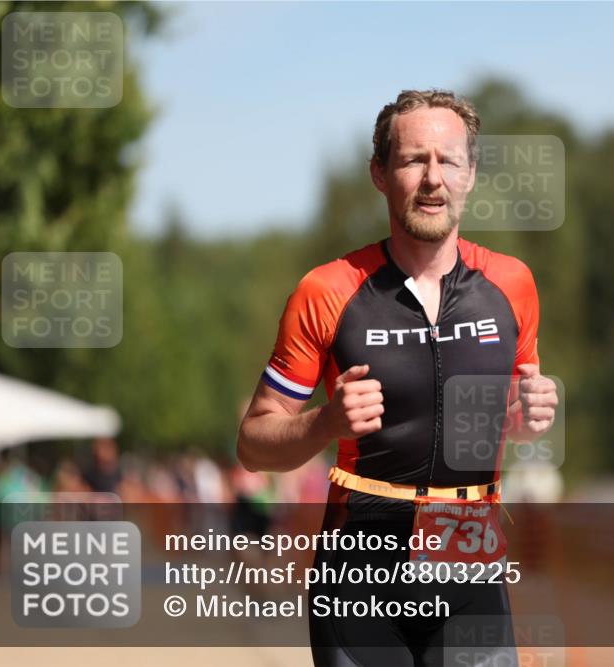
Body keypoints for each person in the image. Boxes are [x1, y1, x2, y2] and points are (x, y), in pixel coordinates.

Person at [237, 89, 559, 666]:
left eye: (449, 161)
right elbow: (254, 444)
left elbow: (514, 424)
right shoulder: (328, 291)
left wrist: (527, 420)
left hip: (471, 575)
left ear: (471, 175)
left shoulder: (513, 286)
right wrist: (325, 422)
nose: (433, 178)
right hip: (358, 580)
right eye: (413, 160)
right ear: (380, 174)